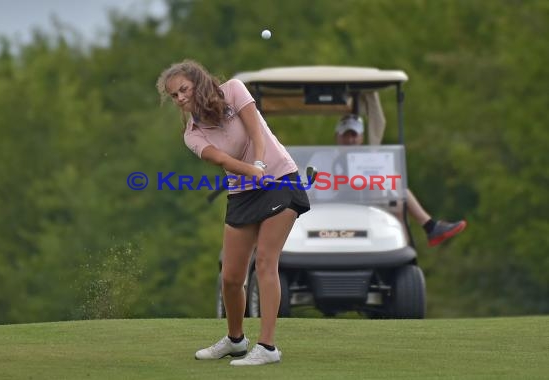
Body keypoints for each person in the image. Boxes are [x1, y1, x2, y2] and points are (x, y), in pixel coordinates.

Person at [156, 59, 310, 366]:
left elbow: (256, 132)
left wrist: (261, 165)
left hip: (280, 179)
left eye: (183, 89)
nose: (180, 98)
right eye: (174, 95)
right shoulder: (192, 134)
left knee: (265, 262)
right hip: (243, 191)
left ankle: (267, 347)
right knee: (230, 276)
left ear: (198, 82)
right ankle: (236, 341)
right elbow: (222, 160)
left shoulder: (234, 90)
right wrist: (251, 172)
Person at [335, 114, 466, 247]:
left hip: (371, 199)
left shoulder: (367, 158)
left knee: (398, 204)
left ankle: (407, 251)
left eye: (354, 135)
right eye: (346, 135)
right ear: (338, 137)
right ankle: (429, 226)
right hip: (347, 204)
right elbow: (340, 186)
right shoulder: (338, 161)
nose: (350, 140)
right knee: (396, 196)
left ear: (361, 138)